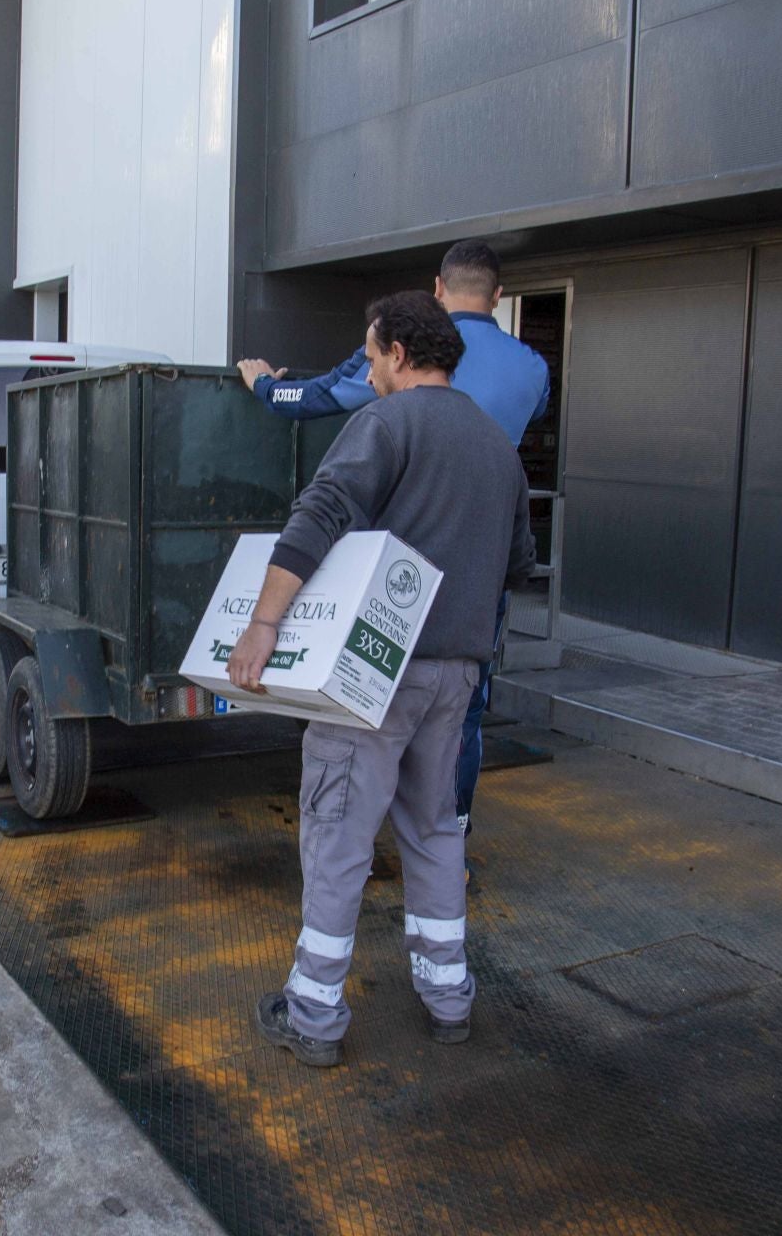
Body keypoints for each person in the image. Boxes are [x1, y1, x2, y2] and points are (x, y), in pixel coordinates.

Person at [229, 290, 534, 1068]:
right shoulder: (498, 447)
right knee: (436, 832)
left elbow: (322, 512)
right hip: (458, 678)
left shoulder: (386, 423)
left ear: (400, 353)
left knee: (337, 835)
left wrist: (262, 624)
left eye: (369, 358)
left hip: (374, 672)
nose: (367, 373)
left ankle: (314, 1014)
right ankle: (448, 998)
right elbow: (519, 565)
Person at [235, 239, 548, 837]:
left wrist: (267, 389)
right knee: (463, 724)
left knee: (362, 740)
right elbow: (520, 555)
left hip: (395, 593)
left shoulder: (391, 381)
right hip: (476, 593)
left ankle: (354, 850)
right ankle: (450, 827)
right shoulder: (530, 369)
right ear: (499, 296)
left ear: (437, 288)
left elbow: (317, 398)